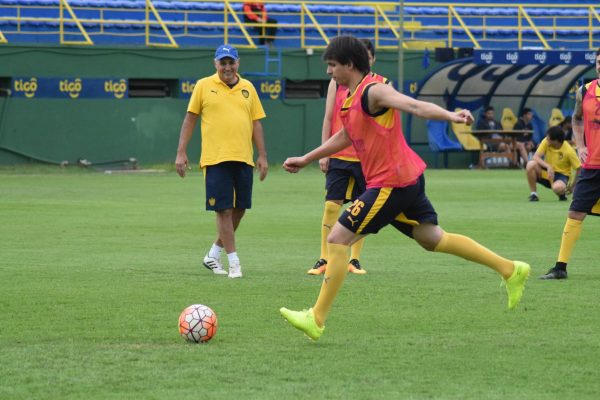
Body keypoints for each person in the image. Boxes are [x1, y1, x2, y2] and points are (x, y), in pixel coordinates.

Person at [279, 35, 531, 341]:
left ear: (348, 64)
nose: (329, 71)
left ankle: (316, 318)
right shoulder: (350, 96)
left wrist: (452, 115)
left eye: (332, 65)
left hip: (392, 182)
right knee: (431, 237)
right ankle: (510, 269)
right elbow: (346, 136)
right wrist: (308, 158)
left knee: (337, 236)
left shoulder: (374, 90)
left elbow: (415, 106)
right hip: (402, 179)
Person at [175, 44, 268, 279]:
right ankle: (234, 263)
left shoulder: (248, 88)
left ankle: (213, 254)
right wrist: (181, 152)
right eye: (222, 62)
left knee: (240, 208)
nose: (227, 67)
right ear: (215, 64)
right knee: (223, 209)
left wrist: (263, 155)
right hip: (215, 158)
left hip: (243, 157)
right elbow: (190, 119)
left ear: (238, 63)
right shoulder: (204, 86)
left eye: (231, 62)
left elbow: (256, 122)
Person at [307, 39, 390, 276]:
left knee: (360, 206)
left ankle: (354, 260)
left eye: (368, 55)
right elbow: (328, 117)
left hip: (366, 158)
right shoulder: (338, 83)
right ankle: (324, 258)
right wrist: (325, 151)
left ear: (372, 59)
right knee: (332, 205)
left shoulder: (381, 85)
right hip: (339, 155)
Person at [540, 49, 600, 280]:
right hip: (592, 165)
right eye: (598, 62)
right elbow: (576, 119)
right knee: (575, 212)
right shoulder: (584, 91)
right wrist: (580, 145)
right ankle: (560, 267)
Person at [526, 125, 580, 202]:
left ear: (556, 141)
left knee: (557, 188)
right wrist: (548, 166)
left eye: (549, 139)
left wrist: (572, 186)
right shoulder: (546, 141)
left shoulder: (569, 151)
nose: (546, 140)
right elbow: (535, 157)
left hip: (561, 176)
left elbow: (579, 168)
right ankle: (534, 194)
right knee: (530, 164)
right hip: (547, 173)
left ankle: (561, 194)